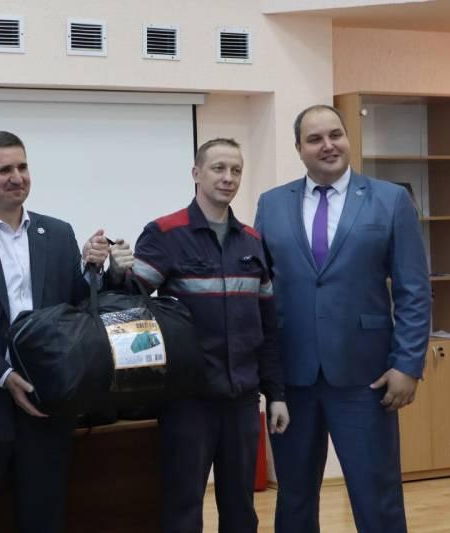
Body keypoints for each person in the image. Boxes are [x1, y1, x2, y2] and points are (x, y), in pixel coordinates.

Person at [0, 130, 133, 533]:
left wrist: (100, 270)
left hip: (45, 408)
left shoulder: (57, 233)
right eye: (4, 169)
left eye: (22, 166)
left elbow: (76, 313)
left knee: (44, 519)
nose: (17, 177)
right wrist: (4, 376)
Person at [254, 105, 431, 533]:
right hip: (293, 380)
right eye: (315, 139)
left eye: (335, 134)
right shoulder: (272, 204)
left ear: (348, 138)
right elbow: (261, 290)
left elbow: (413, 289)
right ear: (299, 148)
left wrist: (407, 364)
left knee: (376, 496)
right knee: (294, 499)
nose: (328, 145)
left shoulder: (390, 200)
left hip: (366, 378)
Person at [132, 138, 289, 533]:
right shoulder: (164, 233)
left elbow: (267, 326)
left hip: (242, 401)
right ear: (196, 173)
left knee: (241, 510)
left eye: (236, 170)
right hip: (187, 401)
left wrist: (276, 394)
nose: (228, 178)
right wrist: (110, 269)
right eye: (218, 168)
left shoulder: (252, 241)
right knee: (183, 507)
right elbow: (130, 301)